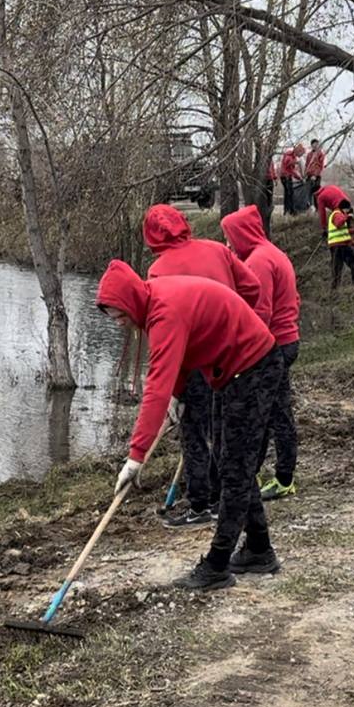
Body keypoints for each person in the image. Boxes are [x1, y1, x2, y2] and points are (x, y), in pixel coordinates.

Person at [98, 261, 281, 589]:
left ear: (130, 302)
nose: (120, 323)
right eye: (113, 318)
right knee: (232, 464)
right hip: (234, 373)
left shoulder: (163, 312)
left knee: (235, 470)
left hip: (254, 368)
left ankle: (217, 565)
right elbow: (184, 352)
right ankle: (258, 549)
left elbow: (155, 384)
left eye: (119, 315)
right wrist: (179, 395)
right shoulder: (156, 300)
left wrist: (136, 457)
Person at [143, 204, 262, 529]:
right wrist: (232, 320)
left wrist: (173, 392)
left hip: (195, 361)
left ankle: (200, 505)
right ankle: (221, 497)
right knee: (221, 430)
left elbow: (166, 338)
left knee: (193, 430)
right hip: (232, 356)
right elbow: (252, 288)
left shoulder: (158, 273)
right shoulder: (216, 250)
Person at [220, 205, 301, 501]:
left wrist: (242, 352)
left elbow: (260, 312)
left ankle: (280, 477)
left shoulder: (259, 261)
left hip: (273, 346)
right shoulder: (274, 253)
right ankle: (271, 473)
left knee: (268, 413)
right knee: (275, 411)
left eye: (229, 238)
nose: (228, 245)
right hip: (285, 340)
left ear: (242, 234)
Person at [327, 197, 354, 288]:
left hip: (336, 246)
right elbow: (339, 224)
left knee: (337, 268)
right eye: (347, 210)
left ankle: (335, 288)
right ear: (345, 209)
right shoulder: (338, 214)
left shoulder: (337, 214)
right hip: (341, 245)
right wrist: (348, 217)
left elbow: (343, 231)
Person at [278, 143, 306, 215]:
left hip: (287, 176)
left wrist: (299, 178)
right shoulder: (289, 155)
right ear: (298, 151)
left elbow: (293, 171)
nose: (300, 156)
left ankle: (288, 210)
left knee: (289, 194)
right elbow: (287, 163)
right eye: (301, 154)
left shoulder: (293, 157)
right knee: (289, 193)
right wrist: (296, 162)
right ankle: (290, 211)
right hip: (285, 177)